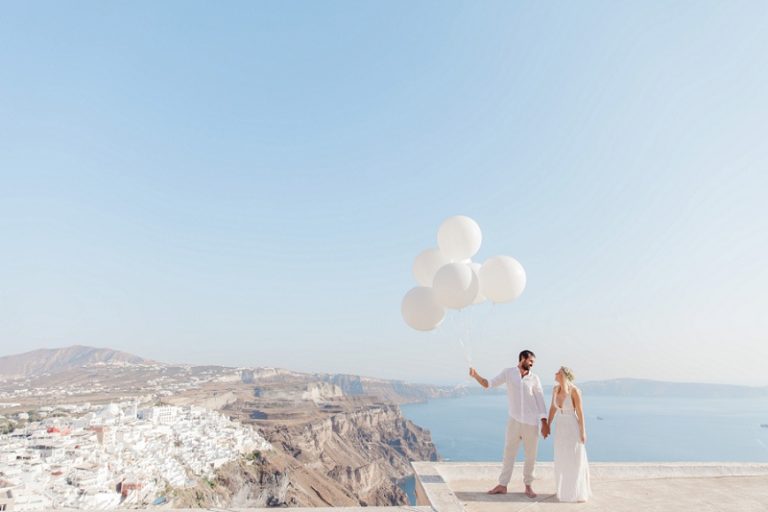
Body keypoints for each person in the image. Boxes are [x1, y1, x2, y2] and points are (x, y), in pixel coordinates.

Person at [469, 350, 548, 499]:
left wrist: (544, 422)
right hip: (514, 420)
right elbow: (489, 384)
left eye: (533, 362)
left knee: (530, 456)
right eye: (530, 361)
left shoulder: (535, 378)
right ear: (522, 359)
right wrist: (475, 375)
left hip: (531, 423)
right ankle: (503, 485)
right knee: (508, 453)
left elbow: (540, 400)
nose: (532, 364)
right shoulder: (508, 373)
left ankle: (528, 486)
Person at [547, 366, 591, 502]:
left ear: (563, 375)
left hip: (572, 425)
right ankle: (563, 490)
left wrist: (583, 431)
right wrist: (547, 424)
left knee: (574, 458)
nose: (555, 373)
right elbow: (553, 408)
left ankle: (576, 492)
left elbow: (580, 412)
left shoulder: (574, 391)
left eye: (558, 372)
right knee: (561, 457)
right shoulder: (555, 389)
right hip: (560, 426)